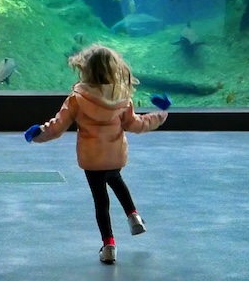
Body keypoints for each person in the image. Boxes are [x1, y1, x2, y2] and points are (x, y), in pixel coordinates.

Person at [23, 44, 170, 265]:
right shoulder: (123, 99)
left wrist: (38, 134)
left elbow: (58, 126)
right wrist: (160, 115)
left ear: (86, 69)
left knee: (101, 202)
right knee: (117, 180)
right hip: (115, 156)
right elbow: (136, 124)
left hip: (91, 160)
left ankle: (109, 246)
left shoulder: (77, 98)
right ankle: (134, 216)